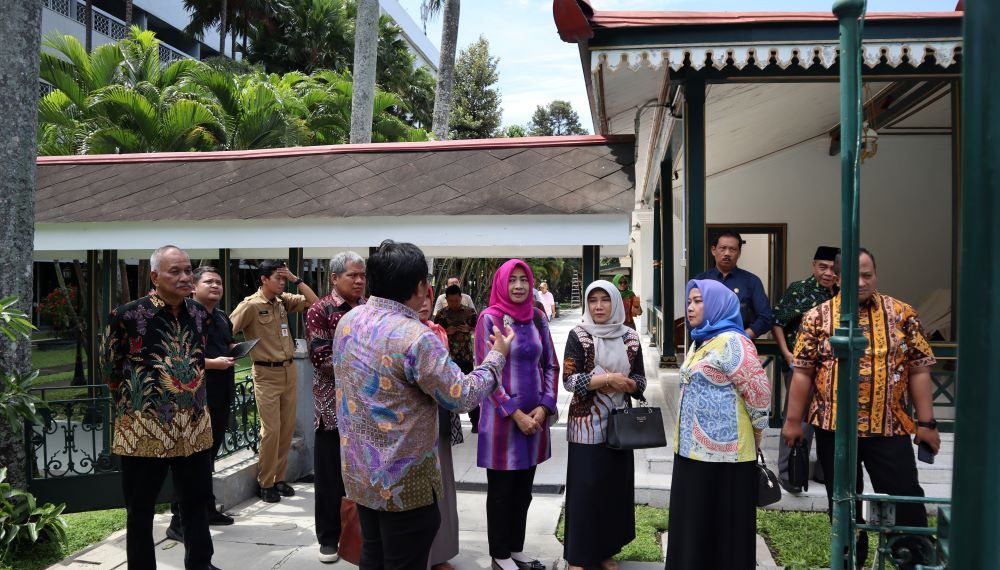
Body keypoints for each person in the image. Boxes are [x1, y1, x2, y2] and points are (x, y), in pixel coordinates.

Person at [333, 240, 514, 570]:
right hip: (405, 486)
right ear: (421, 287)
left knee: (372, 556)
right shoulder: (416, 337)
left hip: (360, 476)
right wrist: (497, 358)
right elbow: (462, 396)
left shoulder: (349, 321)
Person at [782, 248, 939, 569]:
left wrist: (927, 423)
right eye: (854, 276)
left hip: (890, 428)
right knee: (842, 503)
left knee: (904, 498)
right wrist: (793, 422)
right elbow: (803, 372)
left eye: (868, 275)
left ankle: (914, 558)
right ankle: (850, 557)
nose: (863, 282)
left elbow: (920, 369)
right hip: (834, 430)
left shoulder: (901, 314)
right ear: (837, 280)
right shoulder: (817, 317)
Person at [101, 245, 220, 570]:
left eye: (187, 270)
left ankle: (201, 564)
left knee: (196, 503)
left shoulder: (198, 313)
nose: (185, 277)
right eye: (175, 271)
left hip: (193, 429)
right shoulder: (127, 316)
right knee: (139, 510)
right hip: (143, 432)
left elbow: (197, 360)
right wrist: (137, 407)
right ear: (154, 276)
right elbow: (110, 369)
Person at [665, 279, 771, 570]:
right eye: (689, 301)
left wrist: (758, 433)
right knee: (693, 527)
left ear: (716, 304)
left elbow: (759, 394)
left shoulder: (735, 343)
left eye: (698, 301)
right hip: (691, 452)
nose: (690, 307)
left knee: (723, 533)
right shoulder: (702, 340)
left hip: (727, 457)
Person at [475, 259, 560, 570]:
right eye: (513, 280)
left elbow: (550, 364)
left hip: (535, 419)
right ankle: (499, 554)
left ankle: (516, 548)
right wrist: (515, 413)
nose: (520, 286)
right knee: (501, 492)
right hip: (501, 422)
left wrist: (545, 405)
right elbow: (485, 372)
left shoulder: (537, 318)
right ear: (502, 283)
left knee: (524, 490)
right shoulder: (490, 318)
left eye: (524, 280)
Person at [562, 281, 647, 570]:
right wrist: (608, 380)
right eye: (593, 300)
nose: (599, 306)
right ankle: (578, 557)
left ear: (615, 303)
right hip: (586, 426)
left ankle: (605, 551)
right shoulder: (579, 335)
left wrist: (630, 384)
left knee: (612, 491)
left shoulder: (631, 338)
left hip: (620, 426)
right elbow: (570, 381)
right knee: (586, 491)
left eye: (605, 300)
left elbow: (641, 381)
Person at [230, 260, 319, 502]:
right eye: (278, 278)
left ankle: (279, 479)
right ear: (263, 279)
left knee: (286, 429)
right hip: (266, 373)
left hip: (289, 372)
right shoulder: (250, 305)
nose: (282, 282)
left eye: (283, 279)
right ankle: (265, 482)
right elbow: (228, 328)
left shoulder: (282, 302)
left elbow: (314, 302)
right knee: (271, 431)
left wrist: (295, 279)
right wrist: (231, 351)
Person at [167, 266, 238, 543]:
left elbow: (228, 345)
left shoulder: (221, 317)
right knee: (190, 461)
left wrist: (236, 352)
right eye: (209, 282)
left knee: (209, 457)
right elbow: (177, 358)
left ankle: (207, 509)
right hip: (193, 398)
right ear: (194, 287)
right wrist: (212, 363)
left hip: (220, 395)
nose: (216, 286)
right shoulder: (183, 318)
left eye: (219, 282)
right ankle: (178, 521)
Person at [305, 251, 366, 564]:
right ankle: (329, 538)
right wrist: (368, 368)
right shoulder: (320, 309)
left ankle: (361, 536)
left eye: (361, 275)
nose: (358, 281)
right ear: (334, 278)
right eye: (352, 275)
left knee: (365, 476)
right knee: (330, 478)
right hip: (333, 410)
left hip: (368, 411)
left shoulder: (370, 309)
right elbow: (320, 356)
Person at [771, 246, 839, 493]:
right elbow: (777, 321)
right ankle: (790, 475)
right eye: (823, 267)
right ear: (814, 265)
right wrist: (787, 353)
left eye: (833, 268)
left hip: (835, 370)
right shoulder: (799, 290)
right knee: (798, 418)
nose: (828, 273)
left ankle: (824, 473)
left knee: (830, 420)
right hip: (802, 369)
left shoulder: (843, 294)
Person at [420, 284, 462, 570]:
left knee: (442, 484)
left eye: (428, 297)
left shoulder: (438, 331)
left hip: (439, 416)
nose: (423, 303)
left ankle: (439, 553)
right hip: (410, 426)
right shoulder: (401, 334)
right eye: (418, 296)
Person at [695, 230, 773, 339]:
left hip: (741, 346)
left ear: (739, 253)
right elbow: (691, 318)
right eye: (723, 248)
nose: (727, 253)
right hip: (706, 345)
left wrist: (742, 337)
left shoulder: (752, 281)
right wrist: (710, 338)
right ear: (713, 250)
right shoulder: (701, 281)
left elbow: (766, 318)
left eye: (732, 249)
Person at [434, 284, 481, 432]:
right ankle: (449, 425)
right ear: (446, 300)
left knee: (469, 390)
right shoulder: (441, 315)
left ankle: (476, 422)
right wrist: (446, 331)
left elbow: (480, 328)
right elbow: (433, 333)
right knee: (449, 392)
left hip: (466, 356)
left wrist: (469, 329)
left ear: (461, 298)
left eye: (456, 300)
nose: (454, 304)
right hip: (448, 358)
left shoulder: (470, 312)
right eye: (451, 301)